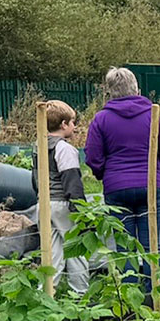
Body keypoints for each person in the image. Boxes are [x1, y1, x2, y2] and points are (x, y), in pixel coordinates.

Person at [83, 67, 160, 259]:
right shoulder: (152, 114)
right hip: (149, 184)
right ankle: (153, 288)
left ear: (109, 91)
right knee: (151, 244)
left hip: (117, 187)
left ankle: (127, 286)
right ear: (137, 89)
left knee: (123, 248)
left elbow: (92, 155)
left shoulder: (101, 118)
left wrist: (104, 174)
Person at [44, 101, 90, 294]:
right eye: (73, 122)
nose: (75, 126)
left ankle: (47, 292)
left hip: (45, 202)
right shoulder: (65, 149)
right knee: (76, 249)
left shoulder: (40, 146)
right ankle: (80, 293)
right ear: (63, 124)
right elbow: (72, 183)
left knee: (53, 251)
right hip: (62, 203)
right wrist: (80, 210)